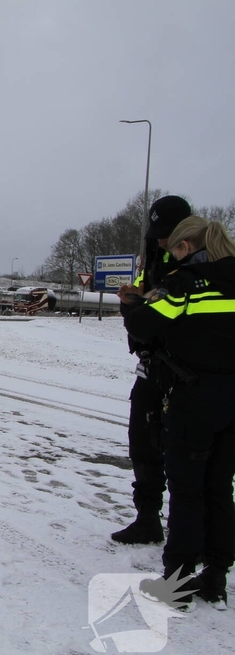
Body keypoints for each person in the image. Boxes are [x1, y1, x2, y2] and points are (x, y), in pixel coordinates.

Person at [124, 215, 235, 609]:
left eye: (174, 251)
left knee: (187, 490)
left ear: (186, 247)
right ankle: (216, 577)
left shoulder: (187, 283)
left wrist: (136, 300)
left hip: (194, 398)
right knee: (221, 489)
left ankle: (176, 584)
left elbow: (142, 327)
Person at [111, 195, 191, 545]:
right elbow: (149, 307)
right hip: (150, 364)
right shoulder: (154, 257)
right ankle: (147, 518)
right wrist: (134, 302)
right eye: (157, 233)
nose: (161, 240)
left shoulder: (196, 266)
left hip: (185, 372)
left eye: (167, 234)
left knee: (183, 453)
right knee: (142, 444)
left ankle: (188, 528)